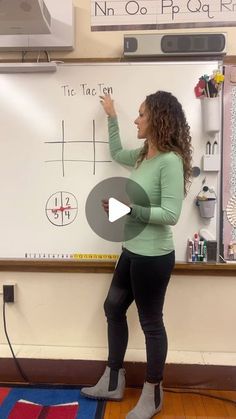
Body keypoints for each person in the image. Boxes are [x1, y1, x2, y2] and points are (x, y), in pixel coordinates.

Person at [81, 91, 192, 419]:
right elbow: (116, 151)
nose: (136, 119)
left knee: (150, 322)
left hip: (154, 258)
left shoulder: (169, 161)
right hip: (131, 250)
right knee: (113, 307)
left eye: (141, 115)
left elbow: (170, 214)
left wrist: (132, 209)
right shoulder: (144, 155)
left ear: (157, 119)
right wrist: (112, 116)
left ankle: (153, 394)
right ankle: (113, 380)